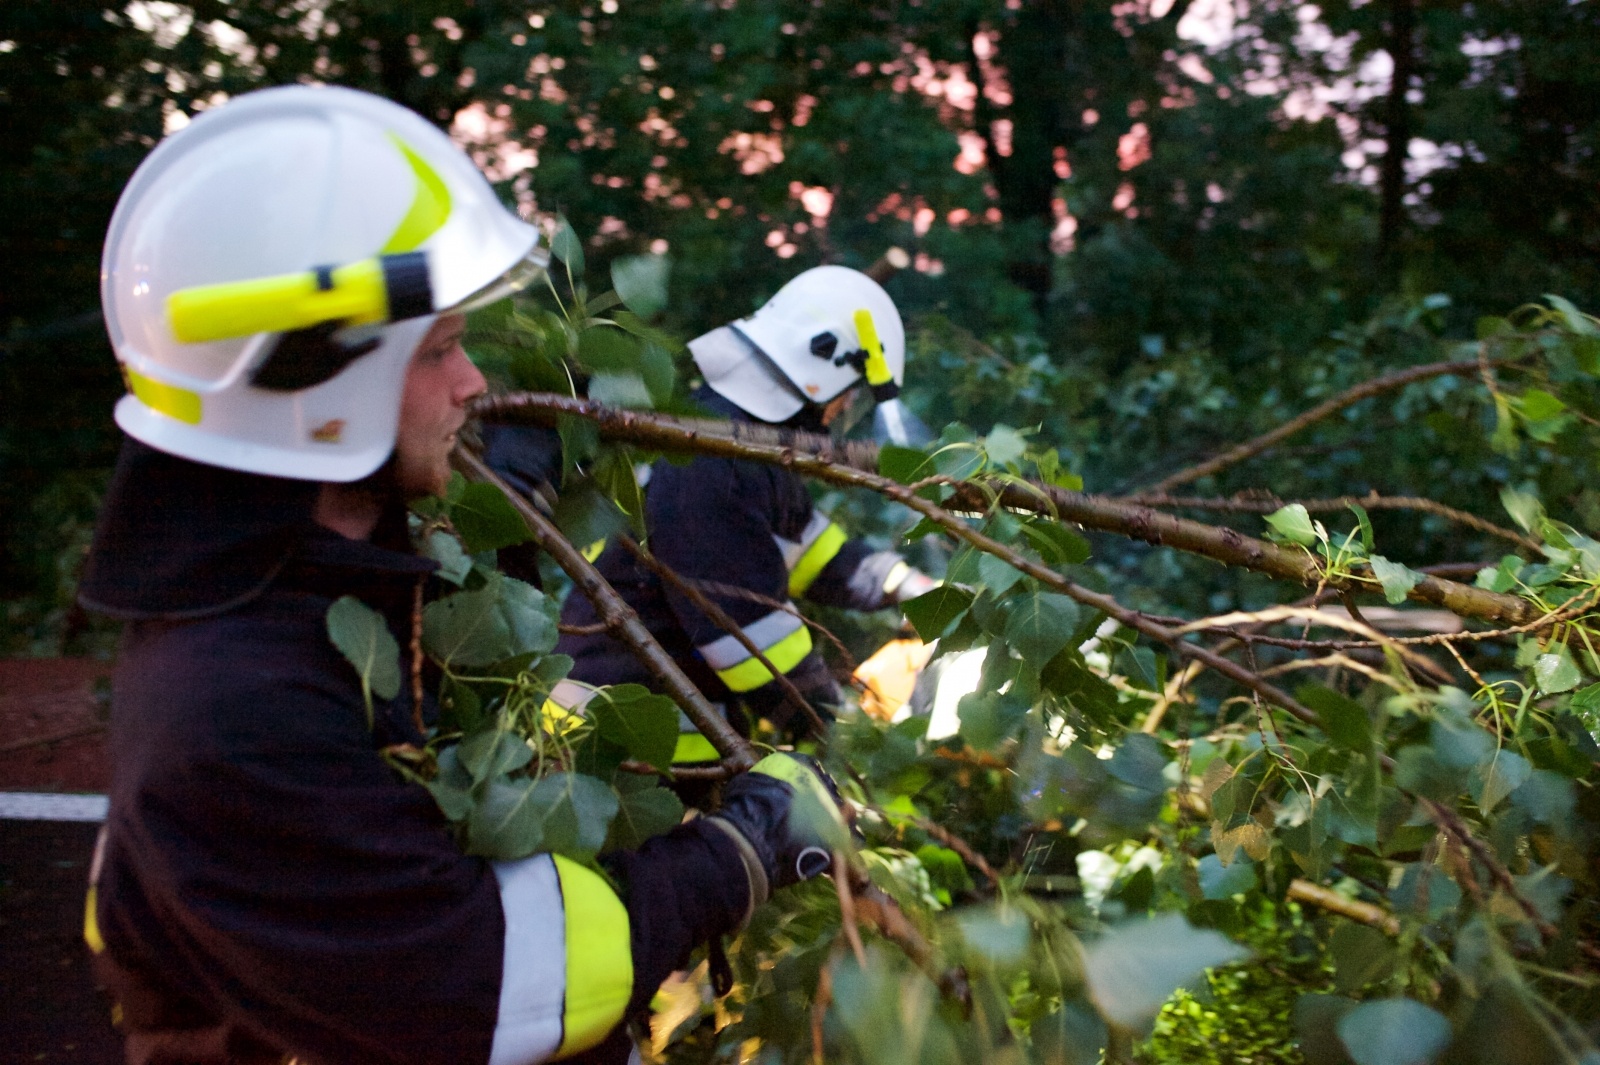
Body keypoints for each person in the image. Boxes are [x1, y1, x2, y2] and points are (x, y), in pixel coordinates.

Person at [79, 84, 845, 1065]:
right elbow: (504, 984)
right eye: (440, 349)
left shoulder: (313, 594)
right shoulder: (239, 711)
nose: (474, 382)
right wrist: (741, 849)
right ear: (319, 385)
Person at [543, 267, 938, 763]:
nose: (843, 413)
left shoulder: (733, 438)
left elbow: (810, 551)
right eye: (849, 396)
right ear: (824, 374)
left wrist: (911, 589)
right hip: (617, 752)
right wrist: (851, 739)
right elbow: (755, 648)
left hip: (657, 734)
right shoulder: (714, 464)